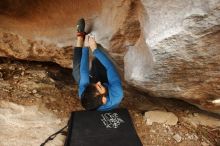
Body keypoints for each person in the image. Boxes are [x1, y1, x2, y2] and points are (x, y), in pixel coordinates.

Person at [72, 18, 123, 111]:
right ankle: (97, 58)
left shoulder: (84, 94)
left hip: (99, 89)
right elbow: (109, 67)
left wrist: (86, 47)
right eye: (99, 86)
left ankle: (80, 36)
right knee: (99, 62)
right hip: (108, 82)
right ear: (104, 99)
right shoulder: (117, 93)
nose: (98, 82)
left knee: (76, 72)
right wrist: (95, 49)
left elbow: (83, 71)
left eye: (95, 84)